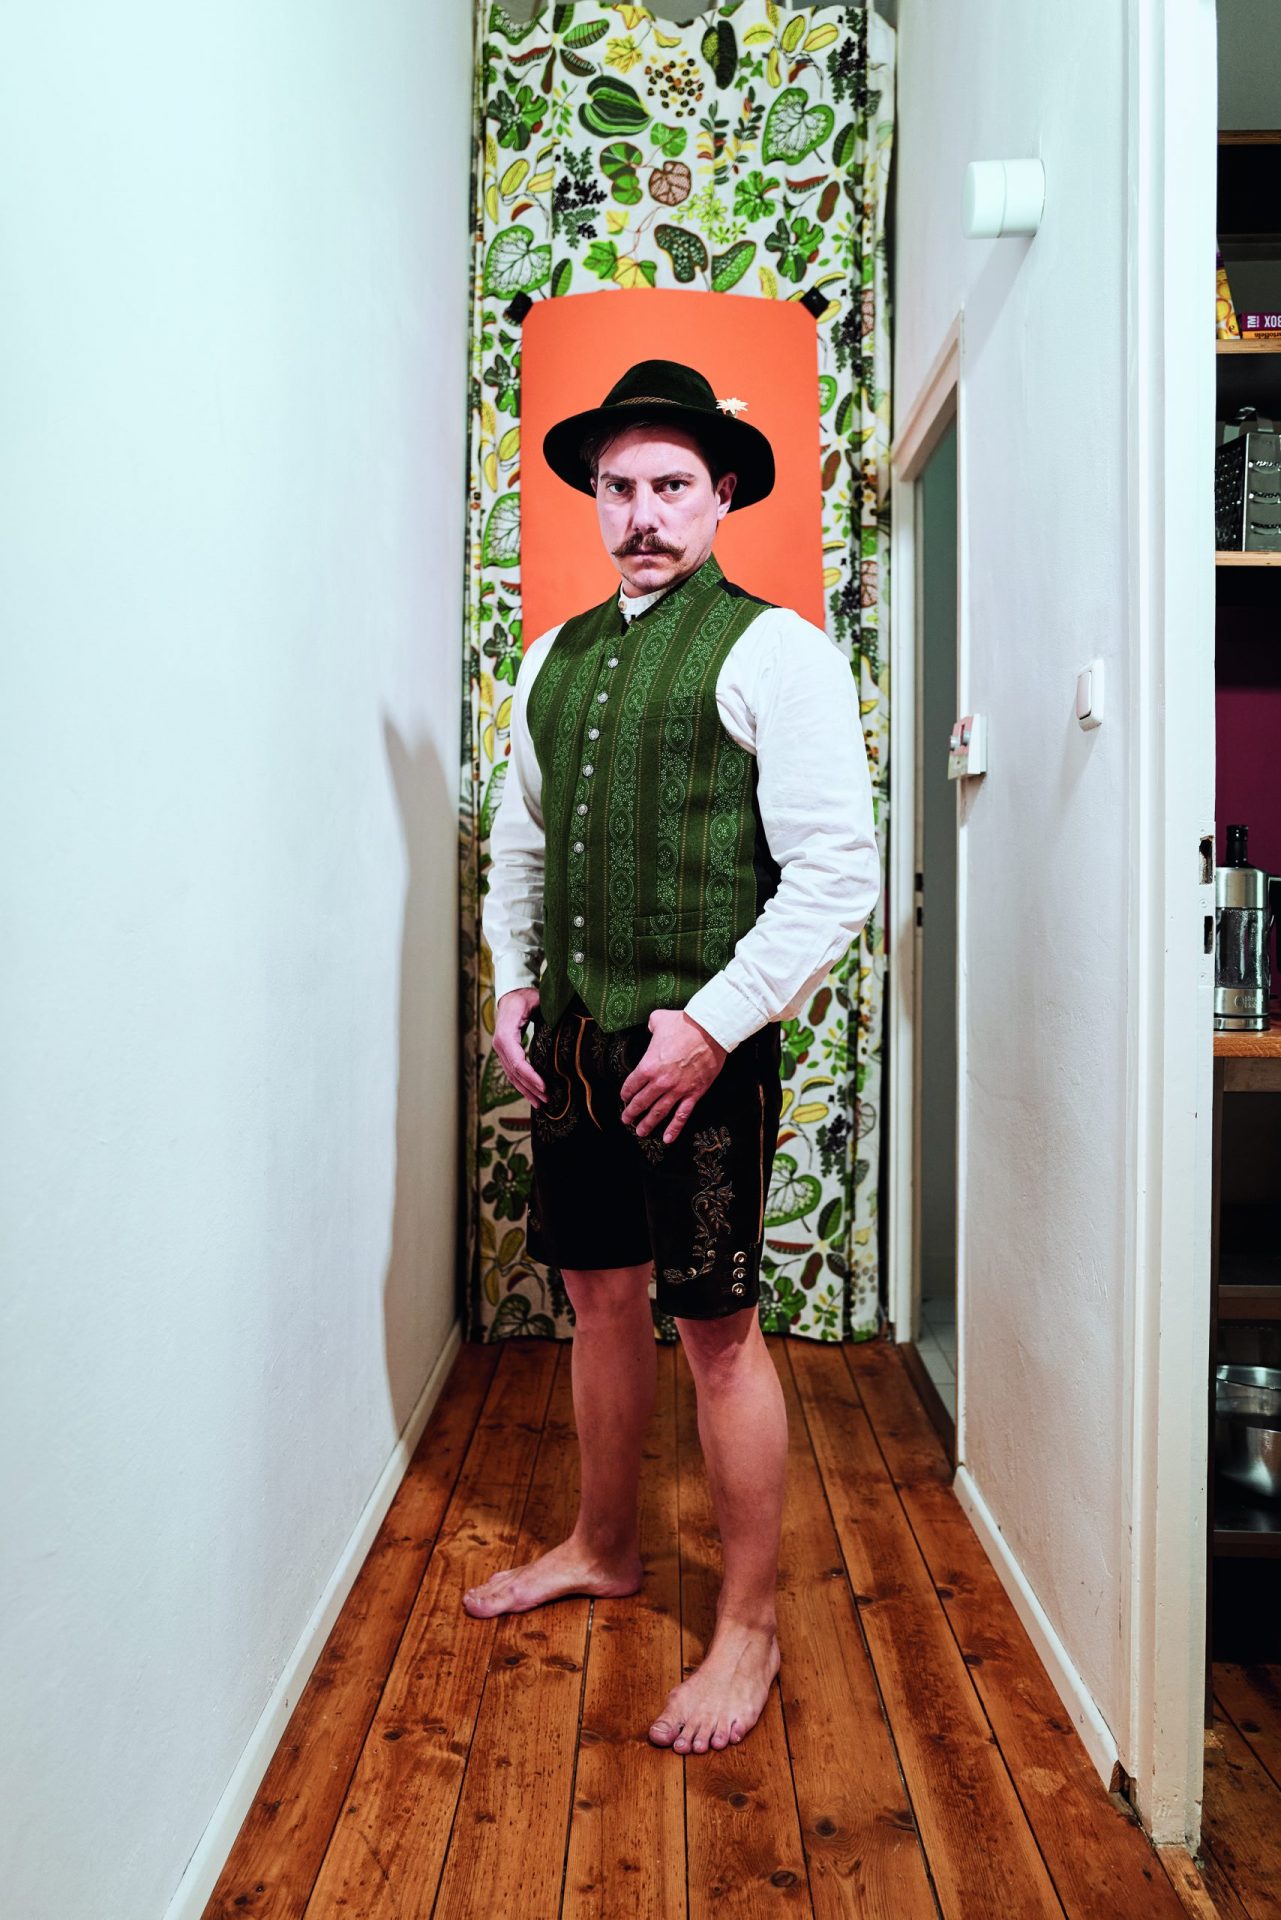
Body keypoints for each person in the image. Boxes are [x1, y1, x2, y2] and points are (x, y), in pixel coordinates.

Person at [471, 357, 880, 1756]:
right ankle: (604, 1544)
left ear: (719, 497)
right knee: (596, 1299)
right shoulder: (552, 658)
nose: (641, 513)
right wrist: (510, 981)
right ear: (594, 498)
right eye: (618, 488)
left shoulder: (777, 652)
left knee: (716, 1332)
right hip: (574, 1048)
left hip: (705, 1055)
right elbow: (522, 845)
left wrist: (712, 1023)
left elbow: (836, 872)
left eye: (669, 486)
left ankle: (749, 1623)